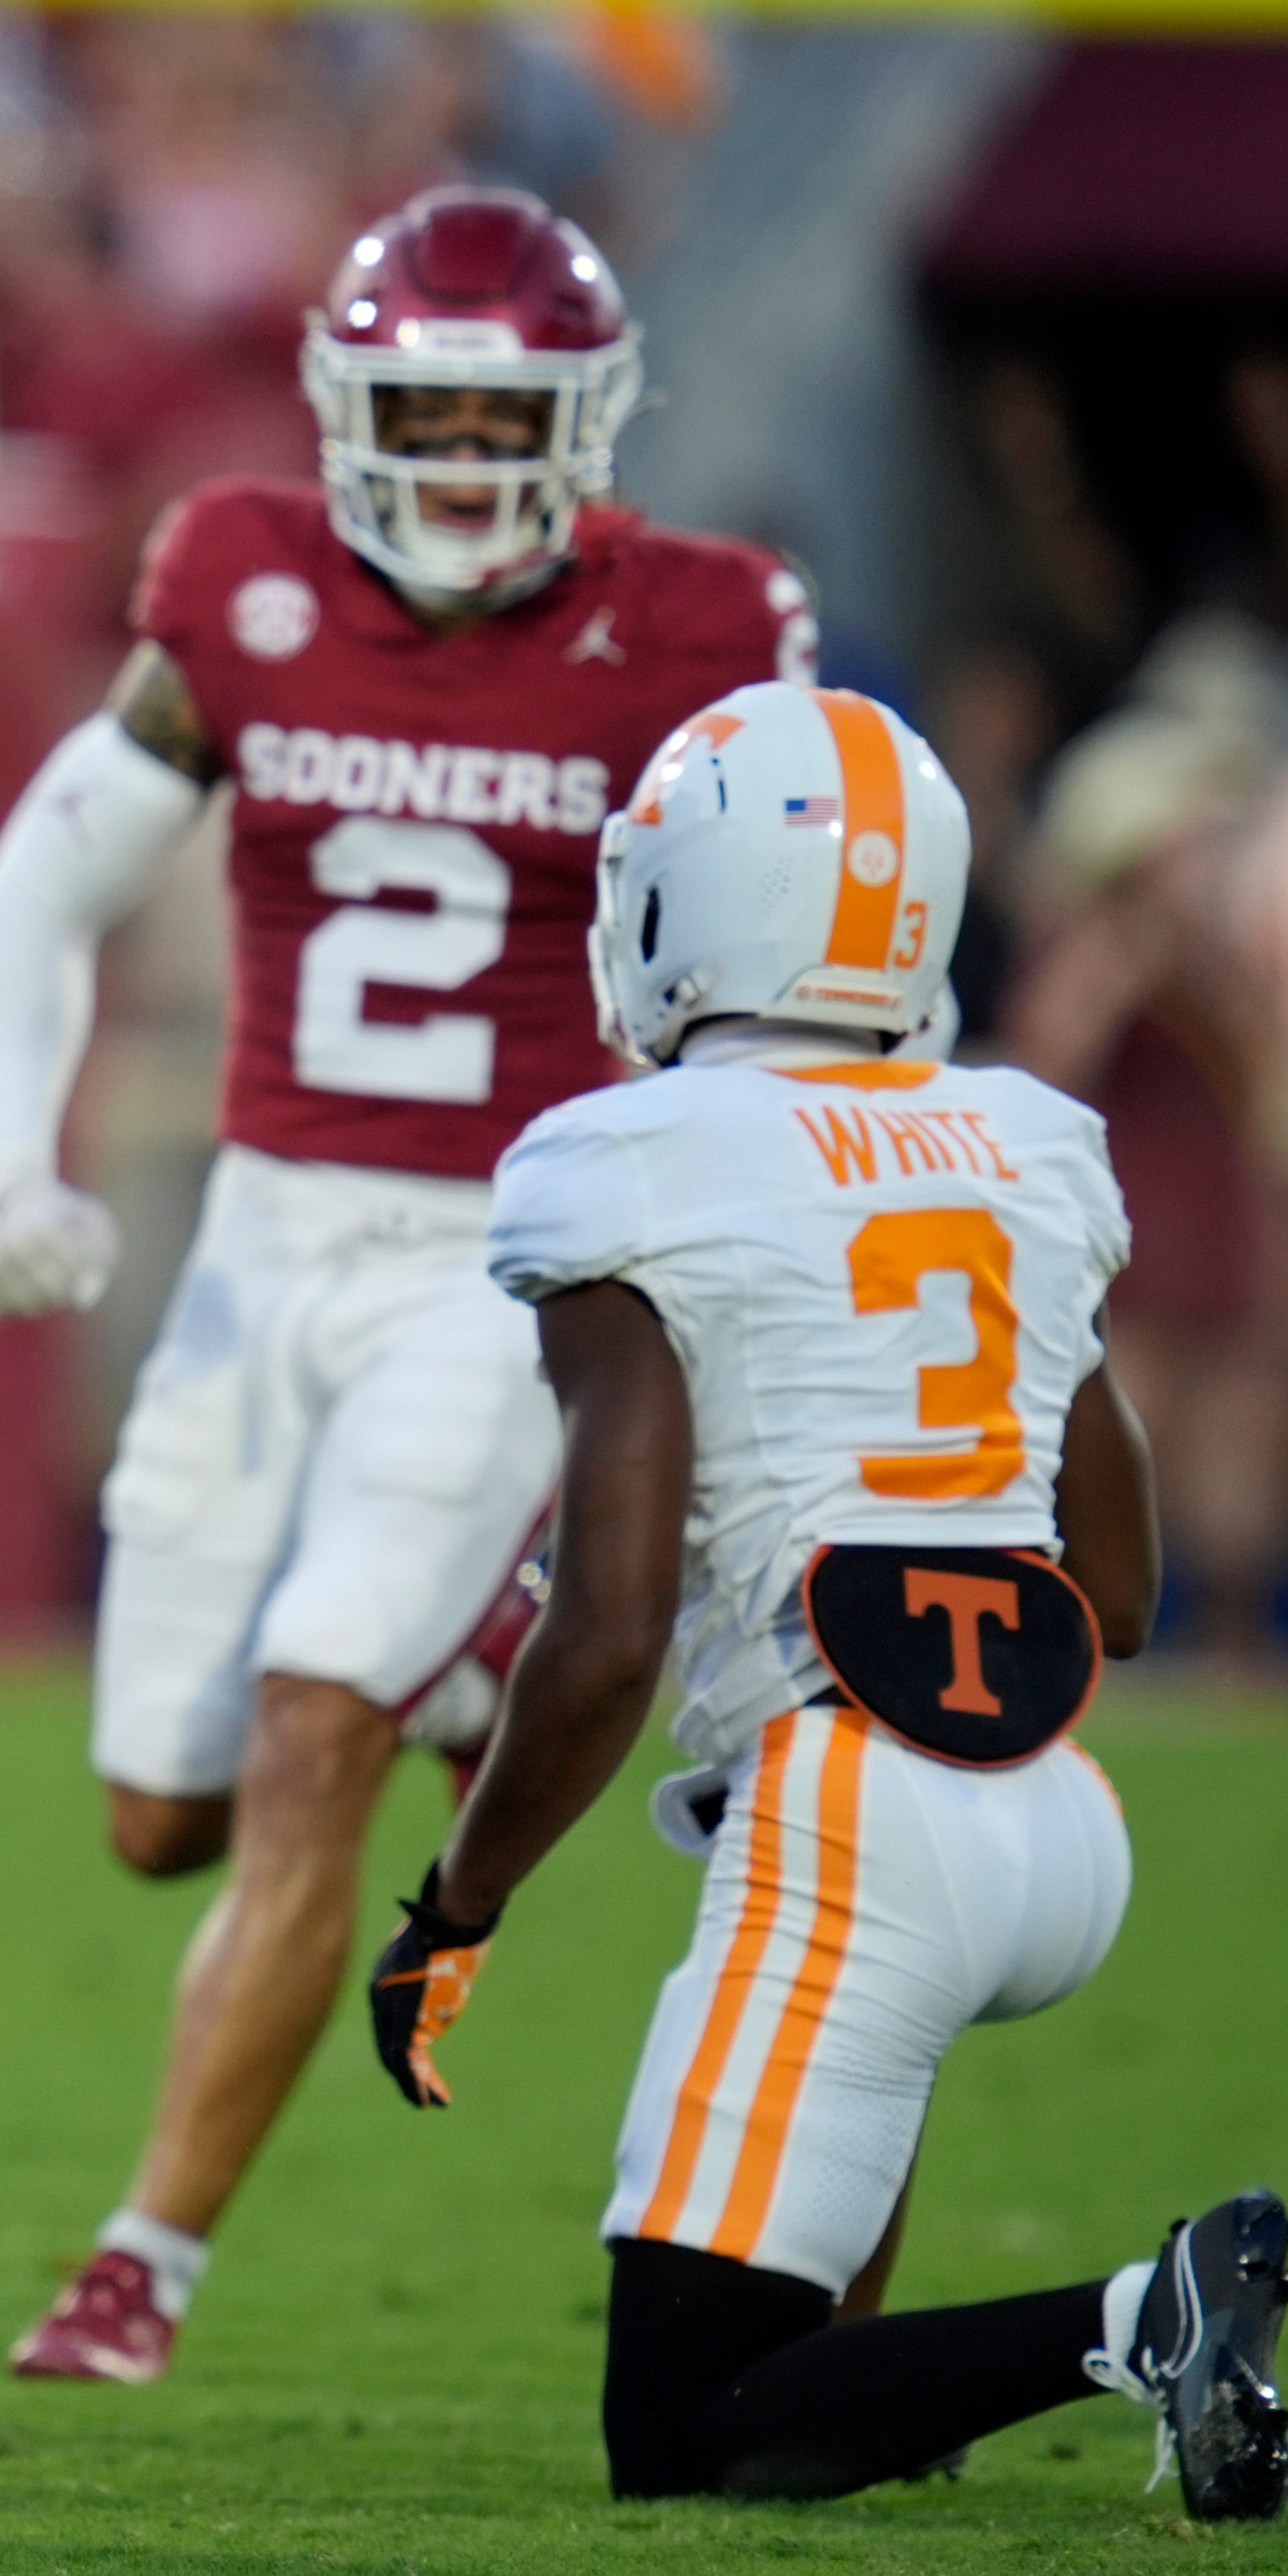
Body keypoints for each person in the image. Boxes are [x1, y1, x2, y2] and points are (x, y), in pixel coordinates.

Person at [0, 182, 819, 2385]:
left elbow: (816, 958)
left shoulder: (707, 633)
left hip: (513, 1257)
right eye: (414, 405)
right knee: (161, 1812)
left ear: (588, 420)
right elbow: (46, 883)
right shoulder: (237, 588)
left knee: (312, 1722)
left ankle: (141, 2262)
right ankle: (482, 1664)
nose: (450, 452)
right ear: (342, 409)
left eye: (495, 411)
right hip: (262, 1238)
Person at [366, 679, 1283, 2520]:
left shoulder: (619, 1162)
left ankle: (1147, 2310)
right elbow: (1110, 1586)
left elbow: (609, 1628)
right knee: (800, 2304)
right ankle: (897, 2392)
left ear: (686, 904)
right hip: (1052, 1825)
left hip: (856, 1822)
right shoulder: (1024, 1140)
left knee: (684, 2436)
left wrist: (454, 1903)